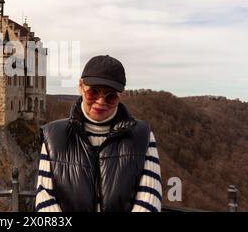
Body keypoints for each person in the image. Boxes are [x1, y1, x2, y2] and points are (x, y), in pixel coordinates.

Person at [35, 55, 162, 212]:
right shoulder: (54, 135)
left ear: (120, 96)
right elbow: (45, 197)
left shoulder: (142, 135)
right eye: (93, 92)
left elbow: (150, 197)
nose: (101, 101)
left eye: (111, 97)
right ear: (81, 87)